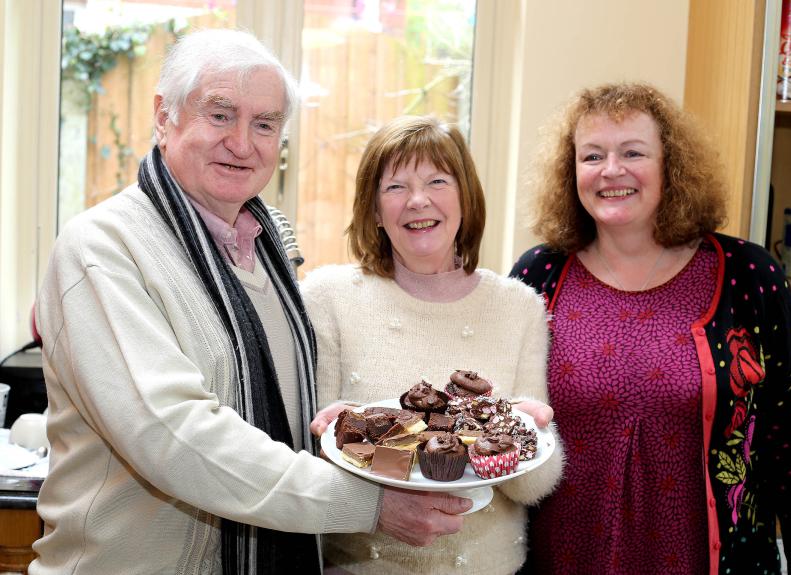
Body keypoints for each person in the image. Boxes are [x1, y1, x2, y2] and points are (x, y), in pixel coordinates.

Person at [32, 30, 469, 575]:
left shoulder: (267, 252)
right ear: (163, 116)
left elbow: (279, 412)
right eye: (220, 115)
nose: (243, 143)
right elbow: (173, 435)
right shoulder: (102, 248)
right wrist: (369, 504)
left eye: (265, 124)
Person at [511, 81, 791, 574]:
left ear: (672, 167)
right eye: (592, 155)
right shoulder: (540, 275)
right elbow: (501, 429)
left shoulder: (748, 276)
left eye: (633, 152)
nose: (611, 171)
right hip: (563, 560)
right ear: (570, 171)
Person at [302, 115, 564, 575]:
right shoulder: (327, 298)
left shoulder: (519, 306)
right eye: (395, 187)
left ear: (466, 196)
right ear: (375, 210)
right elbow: (310, 465)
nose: (418, 200)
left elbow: (532, 487)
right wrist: (336, 436)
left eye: (437, 180)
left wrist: (530, 431)